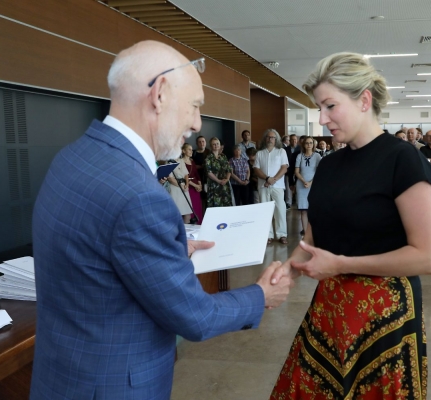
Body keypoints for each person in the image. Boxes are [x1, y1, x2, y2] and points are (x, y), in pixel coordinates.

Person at [30, 41, 294, 400]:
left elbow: (96, 255)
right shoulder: (140, 195)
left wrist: (164, 253)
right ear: (159, 95)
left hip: (62, 377)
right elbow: (195, 317)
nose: (197, 124)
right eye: (195, 105)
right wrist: (260, 295)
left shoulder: (73, 156)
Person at [269, 52, 431, 400]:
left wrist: (342, 264)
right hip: (330, 309)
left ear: (364, 100)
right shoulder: (330, 165)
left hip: (385, 314)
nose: (322, 119)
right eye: (319, 108)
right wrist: (286, 270)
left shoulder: (402, 158)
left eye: (330, 106)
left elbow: (426, 257)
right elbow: (314, 240)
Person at [254, 129, 289, 245]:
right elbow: (256, 169)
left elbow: (284, 168)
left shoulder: (281, 152)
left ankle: (282, 234)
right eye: (268, 137)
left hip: (278, 186)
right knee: (265, 211)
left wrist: (273, 180)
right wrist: (267, 178)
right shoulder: (259, 153)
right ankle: (267, 235)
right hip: (263, 185)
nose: (270, 139)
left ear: (276, 139)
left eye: (272, 137)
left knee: (280, 210)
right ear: (265, 139)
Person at [294, 137, 321, 236]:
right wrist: (303, 181)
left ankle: (313, 233)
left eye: (310, 143)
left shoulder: (317, 156)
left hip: (313, 184)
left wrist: (310, 182)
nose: (309, 145)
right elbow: (296, 172)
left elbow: (319, 172)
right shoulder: (299, 156)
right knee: (303, 210)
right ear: (303, 145)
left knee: (313, 209)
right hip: (301, 185)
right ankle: (305, 233)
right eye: (307, 143)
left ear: (313, 144)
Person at [206, 137, 233, 207]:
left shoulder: (223, 156)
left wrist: (227, 179)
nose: (216, 145)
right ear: (211, 146)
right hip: (214, 185)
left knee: (226, 205)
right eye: (214, 144)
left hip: (225, 184)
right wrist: (218, 181)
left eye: (217, 144)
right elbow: (209, 172)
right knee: (216, 206)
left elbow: (229, 169)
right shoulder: (208, 158)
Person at [181, 143, 203, 224]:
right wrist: (195, 185)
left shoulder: (192, 161)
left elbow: (196, 174)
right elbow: (184, 177)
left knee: (197, 206)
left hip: (196, 186)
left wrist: (200, 184)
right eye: (189, 149)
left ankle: (198, 223)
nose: (191, 151)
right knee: (191, 207)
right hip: (189, 187)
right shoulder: (181, 162)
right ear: (183, 151)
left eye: (192, 149)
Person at [167, 156, 193, 223]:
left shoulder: (181, 160)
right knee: (177, 213)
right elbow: (170, 178)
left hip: (184, 187)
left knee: (187, 213)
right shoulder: (168, 161)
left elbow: (186, 174)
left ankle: (187, 228)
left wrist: (187, 184)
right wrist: (181, 186)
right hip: (175, 188)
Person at [282, 134, 293, 209]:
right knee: (287, 187)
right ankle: (287, 202)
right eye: (290, 140)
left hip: (295, 170)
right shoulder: (285, 149)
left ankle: (290, 202)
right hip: (287, 171)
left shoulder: (299, 148)